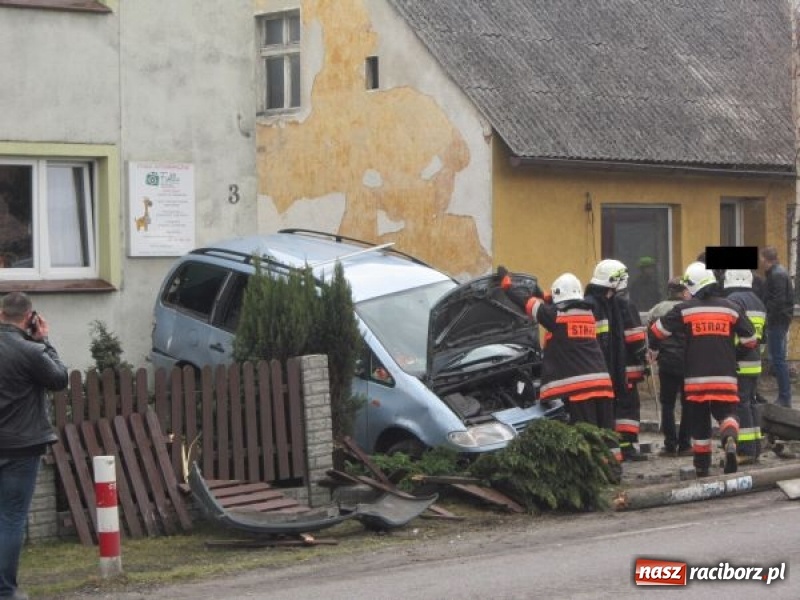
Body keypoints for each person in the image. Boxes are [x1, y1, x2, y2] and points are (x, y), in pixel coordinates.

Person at [649, 262, 758, 476]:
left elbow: (656, 332)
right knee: (728, 414)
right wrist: (733, 355)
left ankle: (702, 465)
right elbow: (751, 340)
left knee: (699, 422)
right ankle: (728, 438)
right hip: (725, 376)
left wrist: (653, 349)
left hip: (695, 379)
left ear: (693, 286)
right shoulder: (731, 308)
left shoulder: (684, 309)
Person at [0, 292, 68, 600]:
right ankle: (5, 590)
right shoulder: (31, 351)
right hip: (20, 447)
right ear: (30, 318)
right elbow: (59, 379)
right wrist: (45, 340)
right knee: (12, 518)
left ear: (1, 314)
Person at [584, 259, 648, 461]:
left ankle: (618, 448)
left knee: (615, 408)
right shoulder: (620, 303)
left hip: (611, 368)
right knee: (628, 407)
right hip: (623, 367)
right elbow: (635, 337)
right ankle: (626, 447)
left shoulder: (599, 303)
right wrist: (644, 353)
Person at [723, 269, 766, 464]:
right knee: (750, 404)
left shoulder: (733, 300)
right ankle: (755, 447)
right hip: (754, 361)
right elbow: (762, 337)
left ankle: (746, 450)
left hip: (739, 361)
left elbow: (730, 332)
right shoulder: (758, 301)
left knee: (740, 405)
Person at [646, 277, 692, 457]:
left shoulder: (656, 310)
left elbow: (651, 333)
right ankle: (685, 444)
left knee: (667, 404)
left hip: (666, 362)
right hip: (688, 362)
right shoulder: (690, 308)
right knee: (688, 404)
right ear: (683, 291)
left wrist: (654, 350)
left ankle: (670, 445)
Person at [760, 246, 794, 408]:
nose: (760, 262)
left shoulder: (777, 275)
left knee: (778, 359)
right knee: (777, 359)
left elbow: (778, 301)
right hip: (779, 320)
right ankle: (784, 396)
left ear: (766, 259)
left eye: (761, 258)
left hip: (777, 321)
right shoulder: (777, 273)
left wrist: (768, 316)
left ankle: (785, 397)